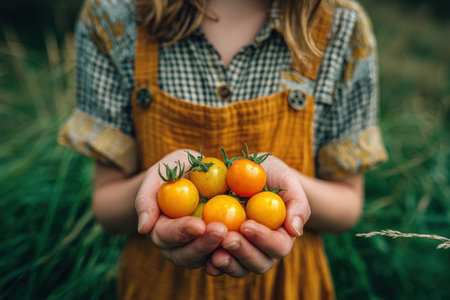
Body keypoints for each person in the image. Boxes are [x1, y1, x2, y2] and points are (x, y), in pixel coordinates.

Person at [59, 0, 387, 299]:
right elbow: (106, 206)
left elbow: (347, 204)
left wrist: (290, 191)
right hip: (158, 285)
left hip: (286, 288)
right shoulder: (113, 18)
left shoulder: (341, 26)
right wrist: (156, 188)